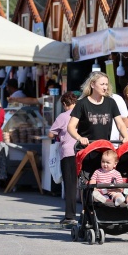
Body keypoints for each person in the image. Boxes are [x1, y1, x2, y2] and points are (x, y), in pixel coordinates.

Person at [67, 72, 128, 146]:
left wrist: (127, 137)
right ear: (92, 85)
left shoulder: (111, 102)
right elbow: (70, 126)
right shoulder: (82, 103)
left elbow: (120, 124)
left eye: (106, 84)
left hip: (104, 147)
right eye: (102, 84)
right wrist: (80, 138)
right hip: (86, 148)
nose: (105, 87)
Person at [48, 92, 78, 225]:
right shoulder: (82, 114)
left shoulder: (63, 116)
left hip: (68, 153)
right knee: (85, 185)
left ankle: (70, 216)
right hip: (82, 152)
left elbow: (51, 134)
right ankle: (88, 213)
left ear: (65, 104)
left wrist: (59, 135)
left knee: (70, 185)